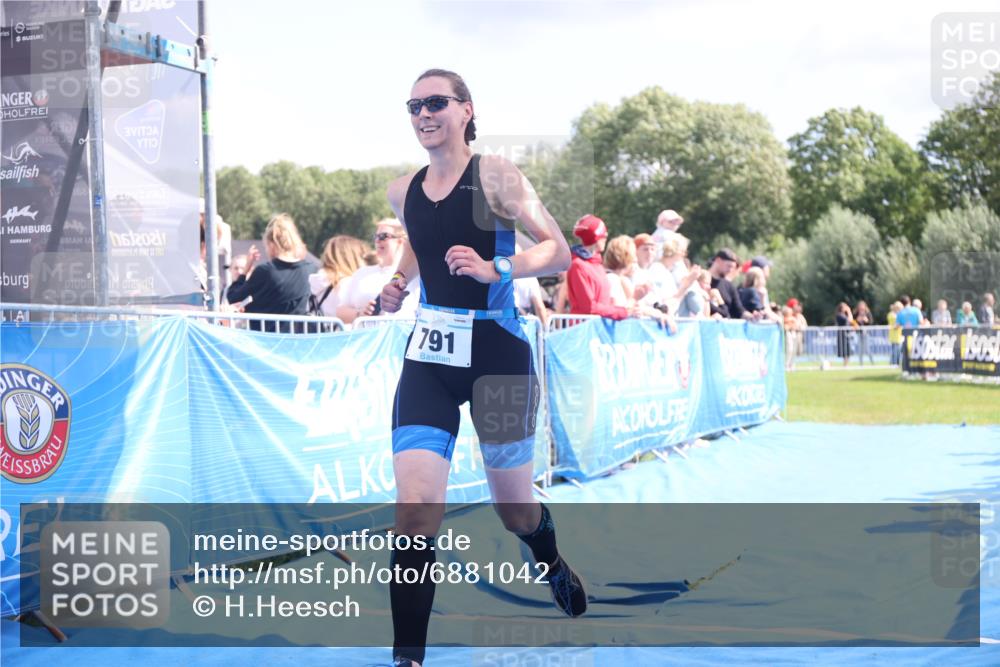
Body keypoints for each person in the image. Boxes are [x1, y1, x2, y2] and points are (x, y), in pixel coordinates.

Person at [378, 69, 586, 667]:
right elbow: (419, 238)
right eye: (414, 104)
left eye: (436, 102)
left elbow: (557, 249)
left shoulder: (493, 176)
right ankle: (407, 657)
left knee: (513, 509)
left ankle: (547, 556)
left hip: (498, 360)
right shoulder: (402, 190)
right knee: (415, 509)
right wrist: (399, 281)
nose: (424, 113)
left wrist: (499, 270)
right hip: (430, 361)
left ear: (466, 110)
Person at [225, 213, 316, 332]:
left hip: (267, 340)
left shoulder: (266, 271)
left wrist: (246, 268)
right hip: (299, 340)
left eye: (266, 246)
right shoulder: (310, 270)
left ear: (272, 245)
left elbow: (233, 297)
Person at [339, 218, 421, 324]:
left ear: (401, 241)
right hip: (368, 337)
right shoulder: (361, 273)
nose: (377, 240)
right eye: (376, 236)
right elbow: (340, 311)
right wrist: (360, 314)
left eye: (383, 236)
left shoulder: (414, 275)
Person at [308, 235, 369, 318]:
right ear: (353, 258)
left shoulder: (312, 280)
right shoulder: (348, 283)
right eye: (362, 257)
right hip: (340, 330)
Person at [707, 248, 752, 320]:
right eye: (729, 266)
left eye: (733, 267)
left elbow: (739, 310)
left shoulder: (729, 286)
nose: (730, 270)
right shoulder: (702, 281)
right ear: (718, 260)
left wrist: (753, 317)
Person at [603, 235, 637, 308]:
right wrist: (635, 298)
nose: (635, 259)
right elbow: (618, 309)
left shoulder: (620, 279)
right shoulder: (612, 279)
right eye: (634, 254)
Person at [853, 300, 875, 365]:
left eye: (862, 306)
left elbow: (871, 322)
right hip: (859, 333)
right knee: (860, 349)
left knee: (867, 349)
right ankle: (861, 364)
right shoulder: (856, 313)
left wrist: (867, 321)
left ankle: (872, 362)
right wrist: (857, 320)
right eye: (860, 306)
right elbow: (853, 322)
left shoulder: (868, 313)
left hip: (866, 333)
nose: (861, 308)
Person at [834, 302, 855, 366]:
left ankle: (845, 364)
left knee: (847, 351)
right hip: (843, 335)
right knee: (845, 351)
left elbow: (852, 322)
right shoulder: (839, 315)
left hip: (847, 335)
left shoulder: (844, 315)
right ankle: (845, 365)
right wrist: (849, 311)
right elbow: (850, 320)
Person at [887, 301, 903, 365]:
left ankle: (895, 363)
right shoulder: (892, 315)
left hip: (898, 335)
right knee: (895, 351)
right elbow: (897, 323)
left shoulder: (895, 314)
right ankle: (893, 363)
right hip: (894, 336)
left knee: (897, 351)